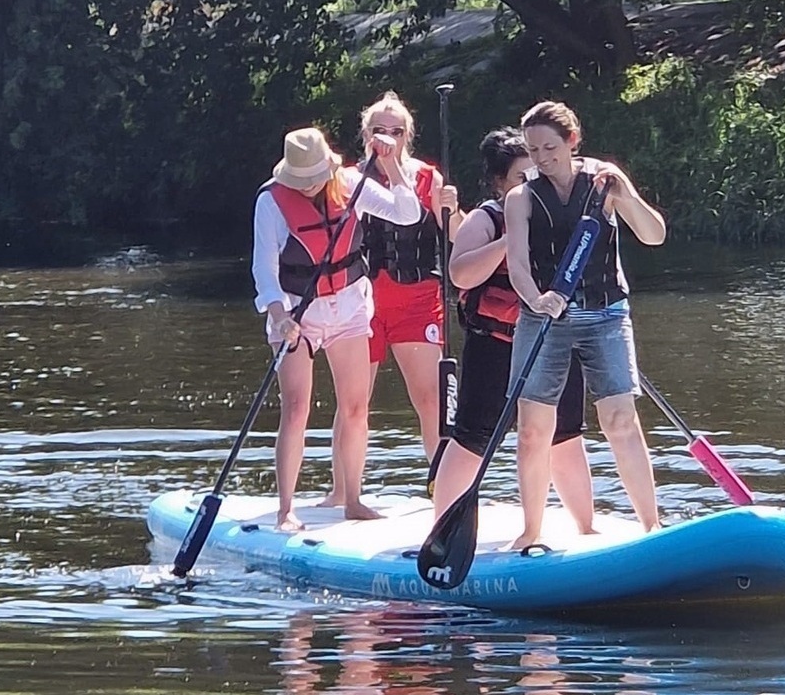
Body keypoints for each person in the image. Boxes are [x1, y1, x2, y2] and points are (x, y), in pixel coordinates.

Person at [503, 101, 668, 550]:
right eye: (533, 149)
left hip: (606, 313)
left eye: (550, 147)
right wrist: (537, 300)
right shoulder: (520, 197)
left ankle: (651, 527)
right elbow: (516, 263)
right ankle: (531, 531)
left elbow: (654, 236)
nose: (541, 158)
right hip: (545, 318)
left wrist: (627, 196)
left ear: (573, 142)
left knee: (619, 419)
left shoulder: (604, 184)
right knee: (535, 428)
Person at [251, 127, 420, 531]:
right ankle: (286, 508)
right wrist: (278, 314)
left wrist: (390, 163)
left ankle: (353, 499)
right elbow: (264, 268)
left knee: (356, 407)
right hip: (296, 312)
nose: (309, 188)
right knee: (295, 409)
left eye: (314, 179)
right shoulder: (271, 201)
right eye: (302, 181)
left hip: (348, 307)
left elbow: (408, 213)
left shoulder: (348, 182)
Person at [431, 128, 595, 536]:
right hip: (497, 344)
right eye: (522, 179)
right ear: (500, 183)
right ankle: (444, 531)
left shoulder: (559, 212)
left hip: (553, 341)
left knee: (565, 436)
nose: (532, 185)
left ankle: (587, 529)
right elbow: (460, 273)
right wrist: (512, 238)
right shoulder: (487, 219)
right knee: (473, 439)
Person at [356, 91, 461, 466]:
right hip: (362, 302)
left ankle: (441, 481)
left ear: (407, 136)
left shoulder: (427, 178)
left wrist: (452, 209)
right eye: (378, 130)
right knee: (354, 402)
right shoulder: (351, 180)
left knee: (431, 398)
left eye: (396, 131)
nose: (387, 138)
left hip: (417, 298)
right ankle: (344, 493)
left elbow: (457, 236)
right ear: (366, 135)